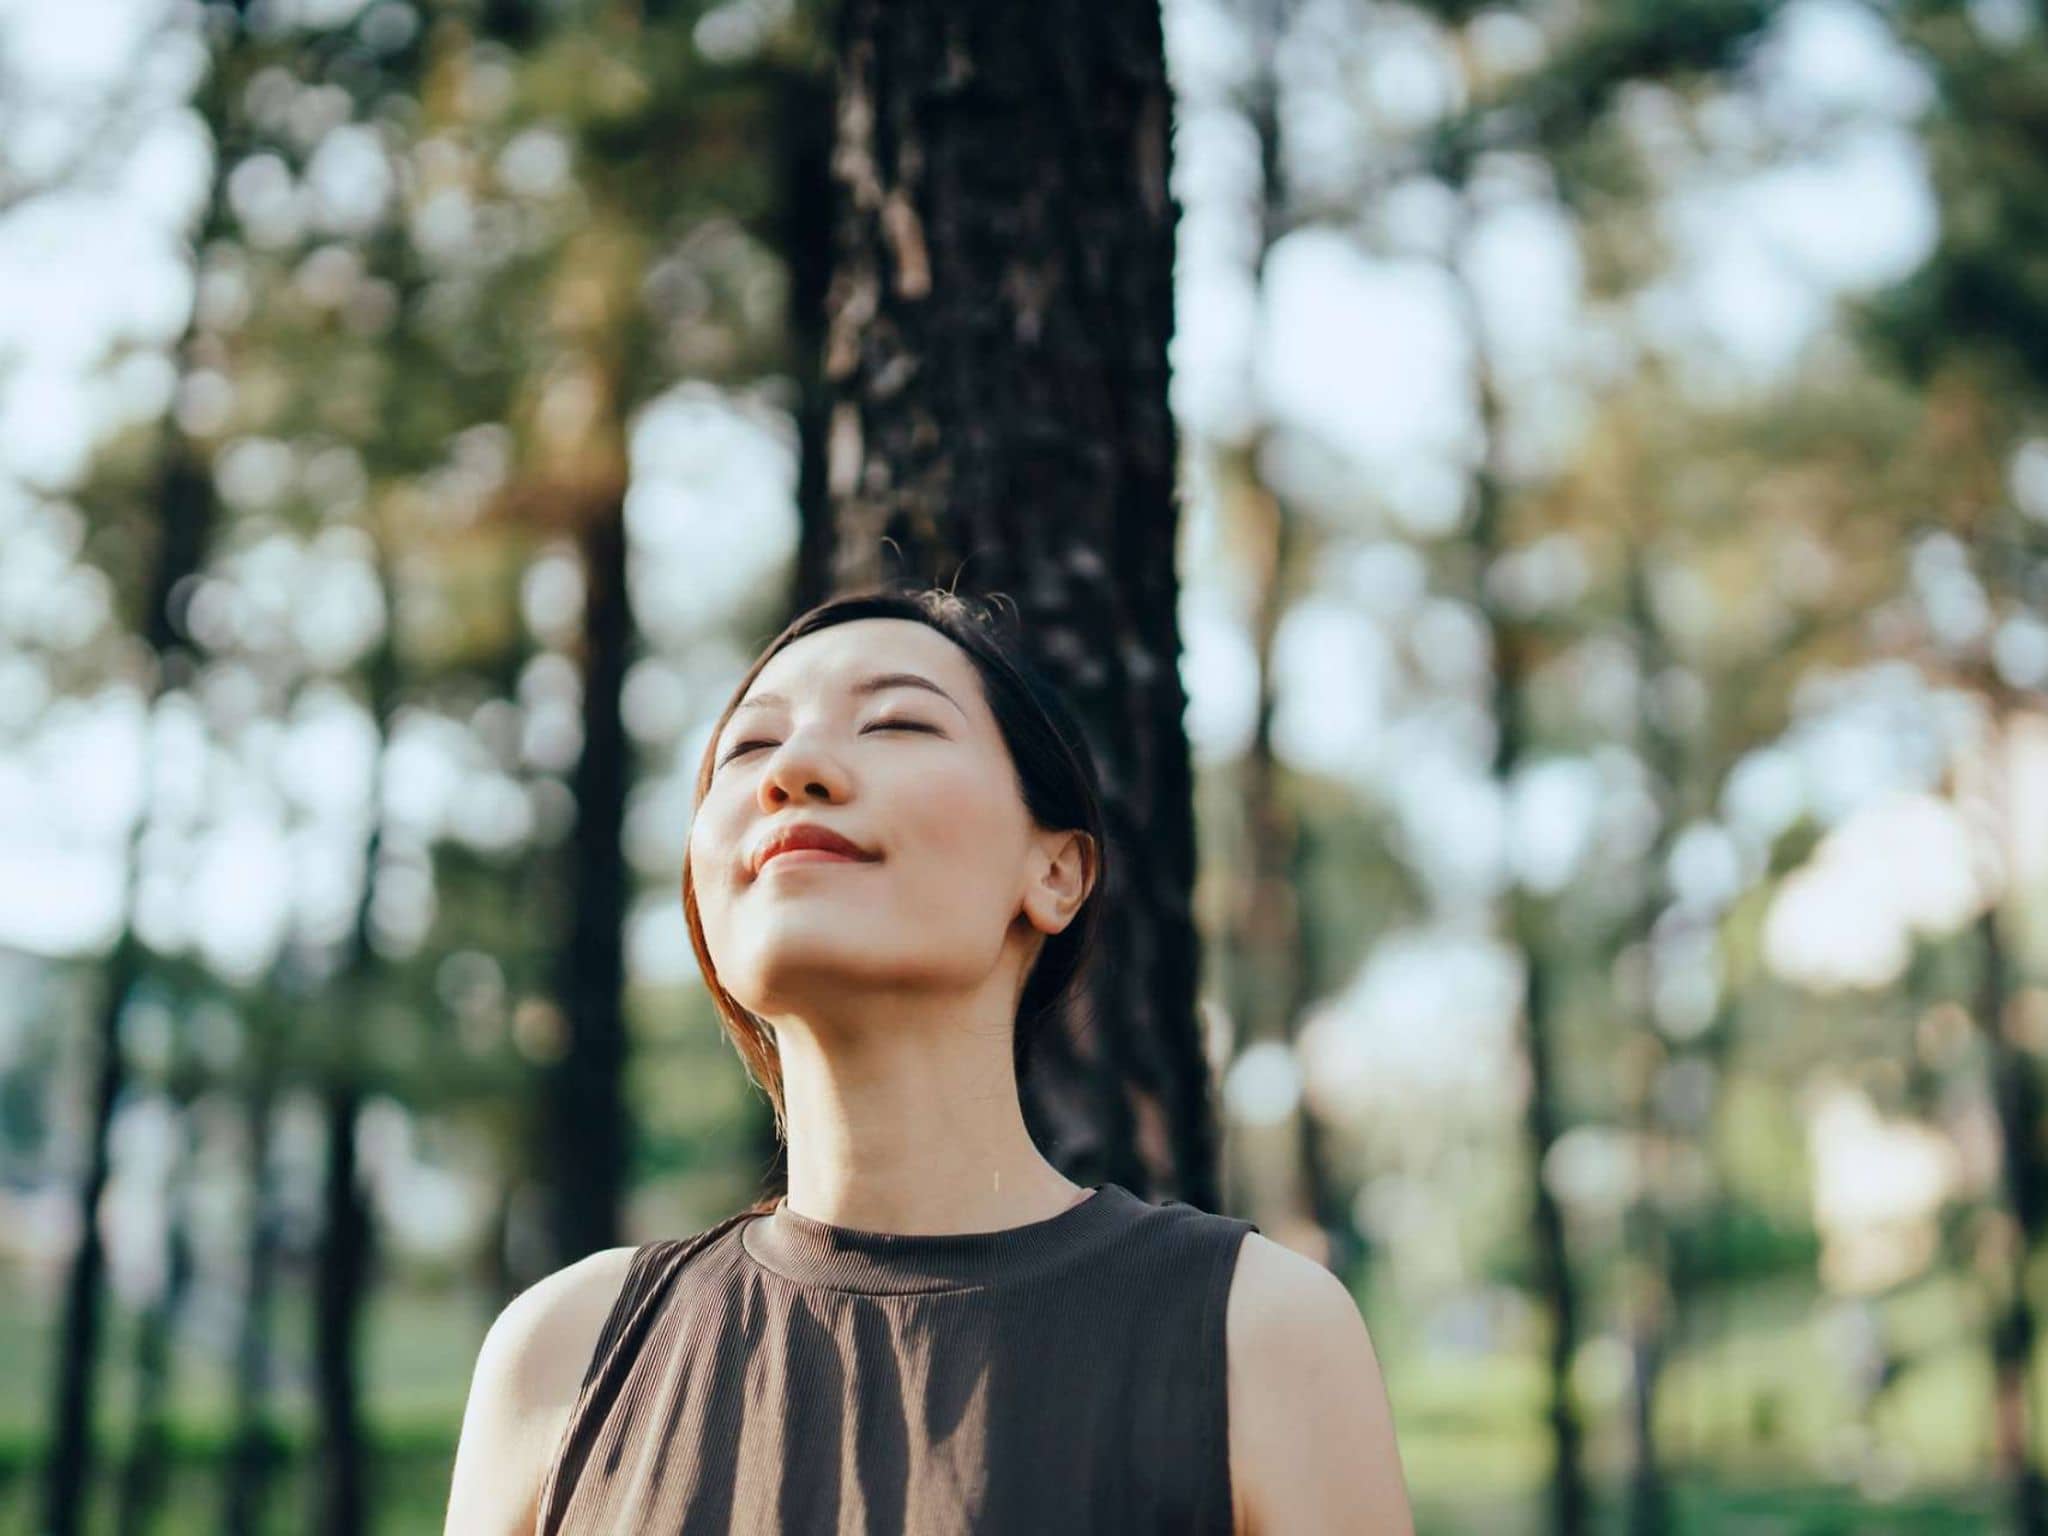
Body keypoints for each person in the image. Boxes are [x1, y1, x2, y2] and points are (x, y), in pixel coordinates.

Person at [443, 586, 1413, 1534]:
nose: (795, 770)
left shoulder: (1257, 1338)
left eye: (896, 724)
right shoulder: (564, 1358)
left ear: (1055, 872)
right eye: (749, 745)